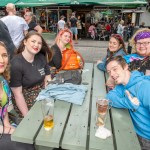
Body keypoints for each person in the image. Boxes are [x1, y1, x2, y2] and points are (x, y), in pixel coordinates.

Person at [106, 56, 150, 150]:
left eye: (115, 69)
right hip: (133, 131)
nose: (112, 74)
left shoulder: (144, 87)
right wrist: (126, 102)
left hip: (146, 138)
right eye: (109, 72)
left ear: (125, 66)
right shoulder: (122, 85)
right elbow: (109, 97)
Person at [0, 41, 35, 150]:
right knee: (24, 146)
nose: (1, 60)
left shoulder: (3, 82)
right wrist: (5, 130)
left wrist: (7, 124)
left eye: (4, 55)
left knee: (32, 135)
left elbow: (4, 108)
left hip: (3, 125)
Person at [10, 31, 52, 119]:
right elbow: (18, 94)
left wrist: (49, 96)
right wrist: (27, 117)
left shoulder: (41, 57)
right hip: (25, 99)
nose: (36, 45)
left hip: (42, 94)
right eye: (33, 41)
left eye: (39, 43)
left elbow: (48, 78)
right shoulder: (16, 64)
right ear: (25, 42)